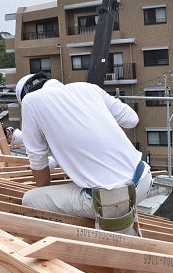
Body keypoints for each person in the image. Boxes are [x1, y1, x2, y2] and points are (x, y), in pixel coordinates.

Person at [15, 72, 152, 236]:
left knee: (31, 199)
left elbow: (38, 161)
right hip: (143, 180)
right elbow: (131, 119)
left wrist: (44, 194)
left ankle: (70, 242)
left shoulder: (31, 102)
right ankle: (125, 214)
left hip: (112, 197)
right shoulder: (88, 88)